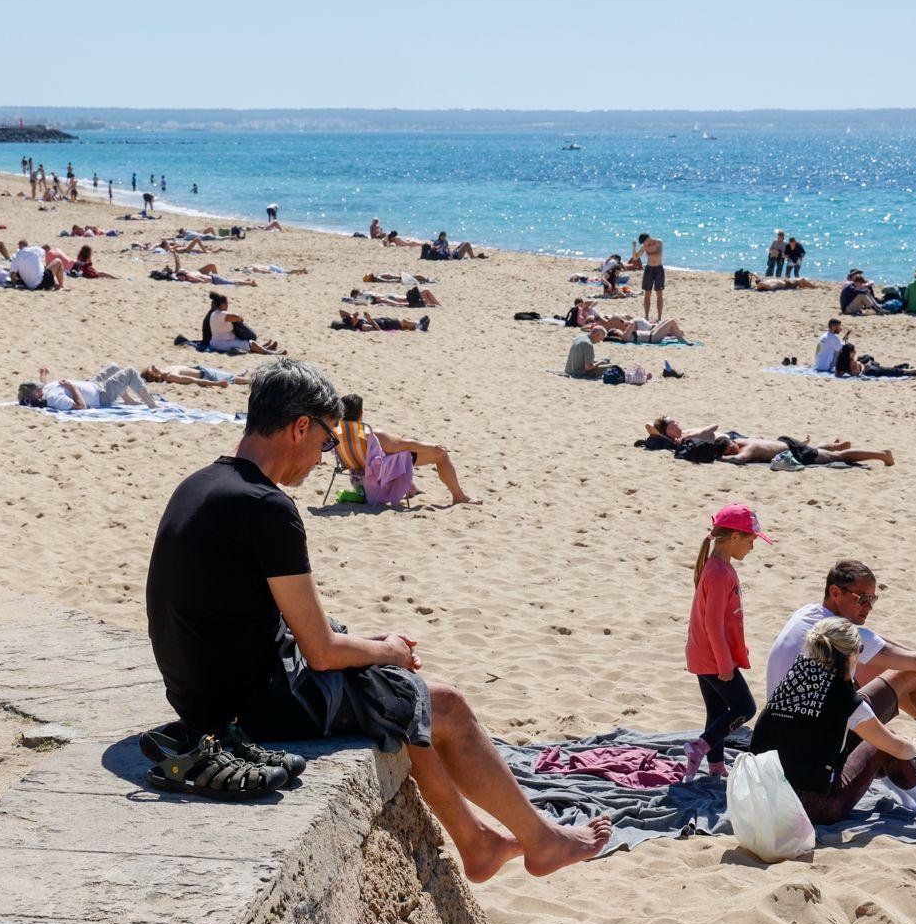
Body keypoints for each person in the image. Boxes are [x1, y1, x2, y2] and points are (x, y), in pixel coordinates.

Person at [144, 359, 611, 875]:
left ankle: (477, 839)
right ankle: (541, 841)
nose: (323, 458)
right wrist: (387, 650)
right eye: (326, 441)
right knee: (445, 704)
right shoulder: (266, 507)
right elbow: (321, 653)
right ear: (300, 427)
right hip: (244, 710)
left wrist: (370, 652)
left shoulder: (200, 484)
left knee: (390, 688)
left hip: (198, 693)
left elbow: (252, 617)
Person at [752, 617, 916, 824]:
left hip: (762, 797)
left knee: (864, 731)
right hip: (814, 808)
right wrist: (915, 747)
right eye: (860, 650)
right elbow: (896, 748)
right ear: (851, 655)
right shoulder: (844, 699)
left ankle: (906, 792)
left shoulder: (796, 677)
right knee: (884, 744)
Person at [765, 561, 916, 751]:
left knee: (880, 664)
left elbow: (877, 642)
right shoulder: (844, 637)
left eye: (872, 599)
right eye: (862, 599)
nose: (869, 606)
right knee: (914, 675)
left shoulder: (808, 613)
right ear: (835, 592)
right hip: (819, 740)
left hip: (779, 728)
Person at [681, 504, 769, 780]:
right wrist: (724, 662)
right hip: (712, 658)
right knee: (745, 708)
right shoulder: (719, 573)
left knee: (717, 711)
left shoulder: (717, 566)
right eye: (751, 541)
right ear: (734, 537)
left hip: (702, 654)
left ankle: (715, 766)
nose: (752, 547)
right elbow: (713, 623)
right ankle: (699, 746)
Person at [335, 394, 481, 506]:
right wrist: (433, 446)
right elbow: (406, 444)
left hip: (359, 482)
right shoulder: (372, 436)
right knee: (439, 455)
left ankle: (412, 489)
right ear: (361, 414)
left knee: (389, 451)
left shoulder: (337, 435)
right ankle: (459, 497)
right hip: (377, 483)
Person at [16, 364, 155, 411]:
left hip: (94, 384)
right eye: (38, 387)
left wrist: (43, 376)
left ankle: (128, 400)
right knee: (130, 371)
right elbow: (81, 406)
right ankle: (152, 405)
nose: (41, 386)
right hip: (102, 395)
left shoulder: (44, 392)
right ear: (36, 394)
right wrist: (72, 388)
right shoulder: (54, 398)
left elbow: (44, 387)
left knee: (114, 367)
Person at [721, 435, 894, 467]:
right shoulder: (741, 440)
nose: (733, 450)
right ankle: (835, 445)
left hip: (795, 451)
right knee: (816, 450)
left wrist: (721, 458)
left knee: (837, 458)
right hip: (785, 442)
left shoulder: (748, 448)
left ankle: (883, 455)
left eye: (731, 448)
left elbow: (740, 459)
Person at [203, 292, 285, 354]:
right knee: (251, 343)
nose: (228, 306)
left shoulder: (215, 313)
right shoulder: (220, 314)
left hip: (220, 342)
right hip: (221, 344)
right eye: (227, 303)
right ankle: (271, 352)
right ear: (223, 304)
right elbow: (237, 317)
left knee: (247, 342)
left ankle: (264, 347)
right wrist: (240, 318)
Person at [834, 342, 916, 379]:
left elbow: (837, 374)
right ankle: (914, 370)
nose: (855, 353)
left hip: (869, 369)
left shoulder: (840, 361)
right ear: (849, 353)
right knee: (891, 371)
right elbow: (857, 373)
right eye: (853, 351)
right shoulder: (852, 362)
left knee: (888, 370)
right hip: (870, 371)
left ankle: (905, 368)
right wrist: (861, 367)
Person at [631, 232, 665, 320]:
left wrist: (648, 248)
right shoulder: (644, 246)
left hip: (659, 269)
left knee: (659, 294)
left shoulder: (659, 242)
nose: (644, 244)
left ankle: (659, 317)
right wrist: (634, 247)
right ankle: (646, 316)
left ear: (648, 238)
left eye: (644, 242)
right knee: (647, 294)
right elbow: (635, 257)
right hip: (649, 269)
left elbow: (657, 252)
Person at [143, 362, 252, 388]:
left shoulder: (166, 371)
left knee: (230, 376)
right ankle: (248, 380)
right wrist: (217, 384)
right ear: (155, 374)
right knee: (235, 379)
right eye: (152, 368)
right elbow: (194, 380)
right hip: (206, 375)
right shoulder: (171, 376)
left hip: (200, 370)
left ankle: (239, 377)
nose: (154, 366)